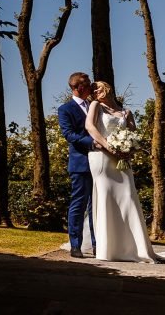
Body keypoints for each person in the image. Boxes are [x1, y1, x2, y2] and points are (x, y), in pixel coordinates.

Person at [84, 81, 159, 263]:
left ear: (107, 88)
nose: (96, 91)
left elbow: (133, 134)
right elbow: (90, 127)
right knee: (106, 197)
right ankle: (108, 249)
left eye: (98, 87)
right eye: (93, 90)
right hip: (101, 157)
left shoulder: (126, 112)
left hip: (123, 158)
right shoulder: (96, 106)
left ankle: (136, 247)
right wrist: (108, 146)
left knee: (128, 197)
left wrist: (129, 149)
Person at [57, 72, 97, 258]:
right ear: (79, 87)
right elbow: (69, 135)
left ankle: (98, 245)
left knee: (97, 205)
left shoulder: (96, 106)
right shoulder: (65, 109)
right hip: (80, 163)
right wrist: (93, 142)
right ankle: (75, 245)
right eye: (88, 84)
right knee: (79, 204)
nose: (92, 87)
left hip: (102, 163)